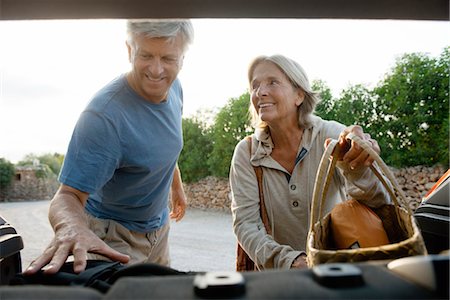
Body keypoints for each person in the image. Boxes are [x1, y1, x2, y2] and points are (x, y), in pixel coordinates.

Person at [24, 19, 194, 275]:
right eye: (146, 55)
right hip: (114, 237)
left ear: (182, 58)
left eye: (168, 59)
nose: (157, 70)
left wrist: (176, 188)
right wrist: (72, 228)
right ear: (129, 50)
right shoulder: (104, 117)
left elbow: (160, 143)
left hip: (159, 230)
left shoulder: (176, 87)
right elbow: (67, 196)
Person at [229, 54, 391, 270]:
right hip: (281, 279)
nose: (260, 92)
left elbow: (378, 202)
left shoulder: (331, 134)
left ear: (299, 95)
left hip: (338, 271)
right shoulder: (246, 152)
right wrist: (290, 262)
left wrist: (359, 167)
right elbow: (246, 224)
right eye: (255, 85)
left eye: (272, 82)